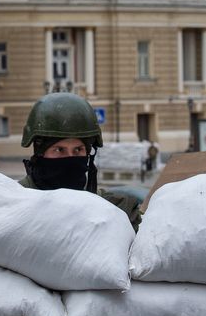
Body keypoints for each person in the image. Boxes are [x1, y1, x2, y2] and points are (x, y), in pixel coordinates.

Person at [19, 92, 141, 228]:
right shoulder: (13, 203)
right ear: (39, 154)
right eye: (59, 150)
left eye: (78, 150)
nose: (70, 158)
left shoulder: (113, 209)